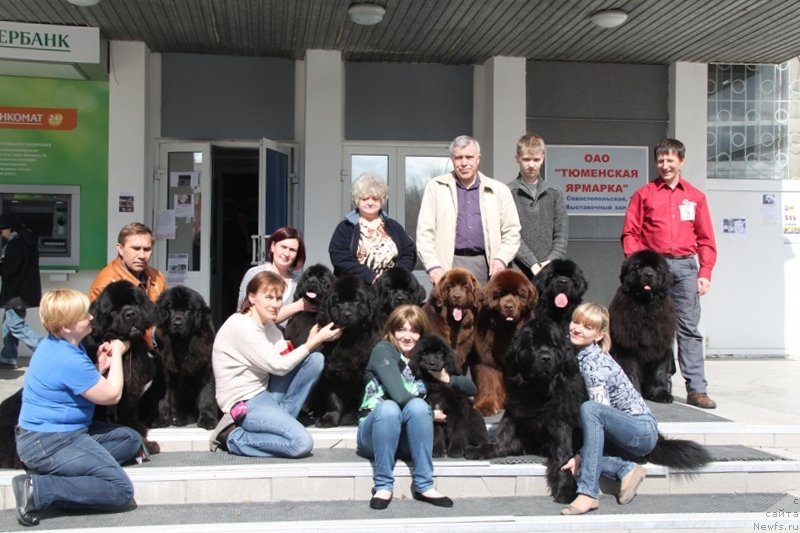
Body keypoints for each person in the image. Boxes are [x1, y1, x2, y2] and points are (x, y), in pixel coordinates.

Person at [13, 289, 142, 527]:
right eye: (84, 315)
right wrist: (117, 356)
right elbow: (112, 395)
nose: (91, 317)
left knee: (130, 439)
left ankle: (65, 470)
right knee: (120, 489)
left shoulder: (60, 345)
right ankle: (39, 489)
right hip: (49, 441)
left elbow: (76, 383)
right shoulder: (67, 358)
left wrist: (98, 368)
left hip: (64, 434)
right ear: (65, 326)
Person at [621, 138, 718, 409]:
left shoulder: (696, 197)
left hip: (686, 267)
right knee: (655, 328)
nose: (665, 165)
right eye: (660, 160)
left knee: (688, 328)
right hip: (655, 268)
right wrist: (639, 266)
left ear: (681, 161)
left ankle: (697, 389)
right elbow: (630, 232)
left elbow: (706, 238)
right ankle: (659, 383)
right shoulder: (644, 194)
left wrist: (705, 271)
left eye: (670, 160)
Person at [210, 271, 341, 457]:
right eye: (269, 297)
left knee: (315, 360)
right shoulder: (241, 326)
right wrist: (315, 341)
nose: (275, 304)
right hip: (245, 402)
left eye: (279, 298)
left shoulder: (268, 325)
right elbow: (279, 366)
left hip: (265, 392)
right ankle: (233, 437)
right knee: (301, 443)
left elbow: (287, 356)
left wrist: (312, 340)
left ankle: (281, 420)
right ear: (252, 297)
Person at [357, 304, 475, 510]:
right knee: (391, 408)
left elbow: (470, 387)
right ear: (392, 331)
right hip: (374, 432)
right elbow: (400, 396)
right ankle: (383, 485)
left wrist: (443, 376)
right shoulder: (383, 350)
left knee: (419, 408)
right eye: (401, 329)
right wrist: (432, 415)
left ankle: (424, 485)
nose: (407, 336)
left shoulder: (423, 359)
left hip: (406, 437)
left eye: (414, 330)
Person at [560, 302, 655, 516]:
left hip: (641, 430)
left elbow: (599, 413)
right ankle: (626, 469)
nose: (577, 328)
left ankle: (588, 492)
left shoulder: (593, 363)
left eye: (587, 327)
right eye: (575, 322)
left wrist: (580, 456)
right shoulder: (578, 354)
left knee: (590, 409)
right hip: (624, 433)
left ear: (599, 335)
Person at [416, 135, 521, 284]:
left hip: (487, 266)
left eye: (469, 157)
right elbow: (424, 233)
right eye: (459, 158)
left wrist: (501, 259)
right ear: (452, 160)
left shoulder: (499, 190)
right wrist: (433, 267)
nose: (464, 162)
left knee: (485, 307)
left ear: (478, 159)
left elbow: (512, 232)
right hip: (448, 266)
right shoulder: (436, 187)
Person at [328, 172, 416, 284]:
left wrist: (394, 276)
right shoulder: (345, 227)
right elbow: (339, 257)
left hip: (390, 289)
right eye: (365, 198)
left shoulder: (394, 226)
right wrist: (371, 277)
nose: (370, 203)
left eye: (375, 198)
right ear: (357, 200)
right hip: (355, 290)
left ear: (382, 200)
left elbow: (409, 252)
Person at [508, 133, 568, 278]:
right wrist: (532, 263)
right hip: (518, 269)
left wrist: (550, 261)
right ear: (517, 159)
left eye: (536, 159)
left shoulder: (555, 193)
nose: (531, 165)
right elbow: (511, 234)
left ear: (543, 158)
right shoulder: (508, 192)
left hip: (550, 270)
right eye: (526, 159)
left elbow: (561, 235)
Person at [237, 226, 312, 324]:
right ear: (273, 246)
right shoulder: (255, 274)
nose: (286, 253)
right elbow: (243, 314)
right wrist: (297, 306)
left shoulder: (297, 283)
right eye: (283, 247)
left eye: (292, 250)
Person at [0, 213, 43, 369]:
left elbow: (8, 270)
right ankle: (7, 356)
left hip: (16, 293)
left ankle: (43, 347)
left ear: (10, 229)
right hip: (22, 291)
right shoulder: (26, 242)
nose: (1, 234)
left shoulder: (16, 245)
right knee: (8, 325)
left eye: (1, 230)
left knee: (15, 325)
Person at [89, 222, 167, 304]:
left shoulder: (157, 277)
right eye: (136, 249)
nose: (142, 256)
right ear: (120, 249)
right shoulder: (105, 285)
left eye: (147, 249)